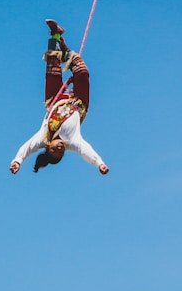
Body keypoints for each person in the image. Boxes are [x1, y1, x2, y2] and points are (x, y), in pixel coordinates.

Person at [9, 19, 109, 175]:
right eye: (61, 152)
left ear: (48, 147)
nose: (60, 148)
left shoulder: (42, 138)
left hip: (54, 99)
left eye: (55, 150)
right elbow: (86, 151)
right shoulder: (73, 142)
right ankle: (66, 51)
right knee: (82, 73)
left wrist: (17, 161)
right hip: (78, 102)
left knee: (52, 67)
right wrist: (100, 164)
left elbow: (27, 148)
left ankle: (56, 35)